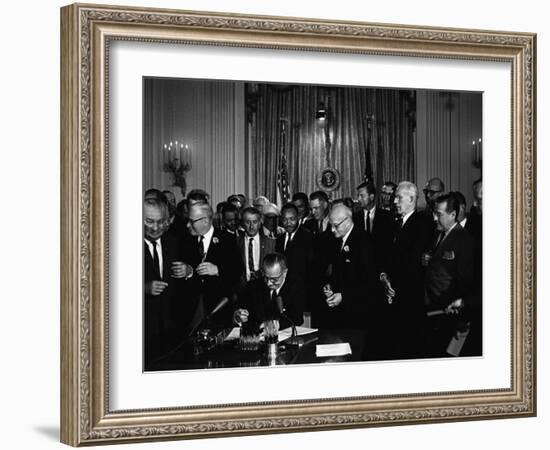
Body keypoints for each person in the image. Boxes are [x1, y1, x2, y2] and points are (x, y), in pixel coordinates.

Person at [380, 181, 432, 359]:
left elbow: (412, 264)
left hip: (410, 298)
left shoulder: (422, 224)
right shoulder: (396, 224)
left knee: (410, 348)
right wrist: (385, 277)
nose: (395, 201)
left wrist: (394, 287)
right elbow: (389, 257)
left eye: (398, 197)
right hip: (394, 295)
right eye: (395, 197)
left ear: (411, 199)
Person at [422, 194, 475, 357]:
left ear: (453, 215)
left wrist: (460, 316)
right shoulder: (439, 233)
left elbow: (465, 281)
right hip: (432, 309)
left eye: (439, 214)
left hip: (447, 314)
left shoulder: (464, 240)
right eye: (434, 213)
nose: (434, 218)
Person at [143, 198, 192, 368]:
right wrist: (143, 288)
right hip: (143, 329)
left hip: (172, 329)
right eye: (149, 221)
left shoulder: (173, 242)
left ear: (167, 221)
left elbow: (188, 288)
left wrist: (188, 271)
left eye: (160, 222)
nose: (155, 228)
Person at [181, 201, 243, 332]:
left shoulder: (227, 240)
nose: (187, 225)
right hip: (192, 315)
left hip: (220, 311)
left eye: (191, 221)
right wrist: (189, 271)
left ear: (204, 221)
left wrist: (218, 270)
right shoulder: (185, 242)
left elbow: (238, 272)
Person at [319, 204, 377, 330]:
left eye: (336, 225)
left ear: (347, 220)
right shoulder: (337, 241)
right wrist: (330, 287)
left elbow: (369, 282)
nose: (332, 230)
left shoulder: (363, 241)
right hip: (342, 312)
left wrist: (344, 296)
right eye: (331, 225)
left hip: (359, 313)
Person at [233, 253, 305, 330]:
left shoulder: (295, 287)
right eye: (266, 278)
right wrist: (238, 317)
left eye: (274, 279)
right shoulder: (252, 287)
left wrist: (276, 325)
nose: (269, 283)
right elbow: (240, 313)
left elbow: (297, 319)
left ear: (285, 273)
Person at [353, 181, 394, 273]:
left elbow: (388, 247)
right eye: (358, 196)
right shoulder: (354, 218)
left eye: (362, 196)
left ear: (371, 197)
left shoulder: (387, 217)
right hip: (359, 271)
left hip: (380, 270)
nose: (359, 199)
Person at [276, 203, 314, 285]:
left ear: (298, 217)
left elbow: (312, 270)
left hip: (302, 289)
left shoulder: (309, 238)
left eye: (292, 219)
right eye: (285, 219)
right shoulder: (279, 240)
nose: (288, 223)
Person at [237, 207, 276, 286]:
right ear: (243, 223)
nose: (251, 226)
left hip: (264, 288)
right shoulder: (236, 243)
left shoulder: (271, 243)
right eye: (248, 222)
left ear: (260, 222)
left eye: (254, 222)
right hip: (242, 289)